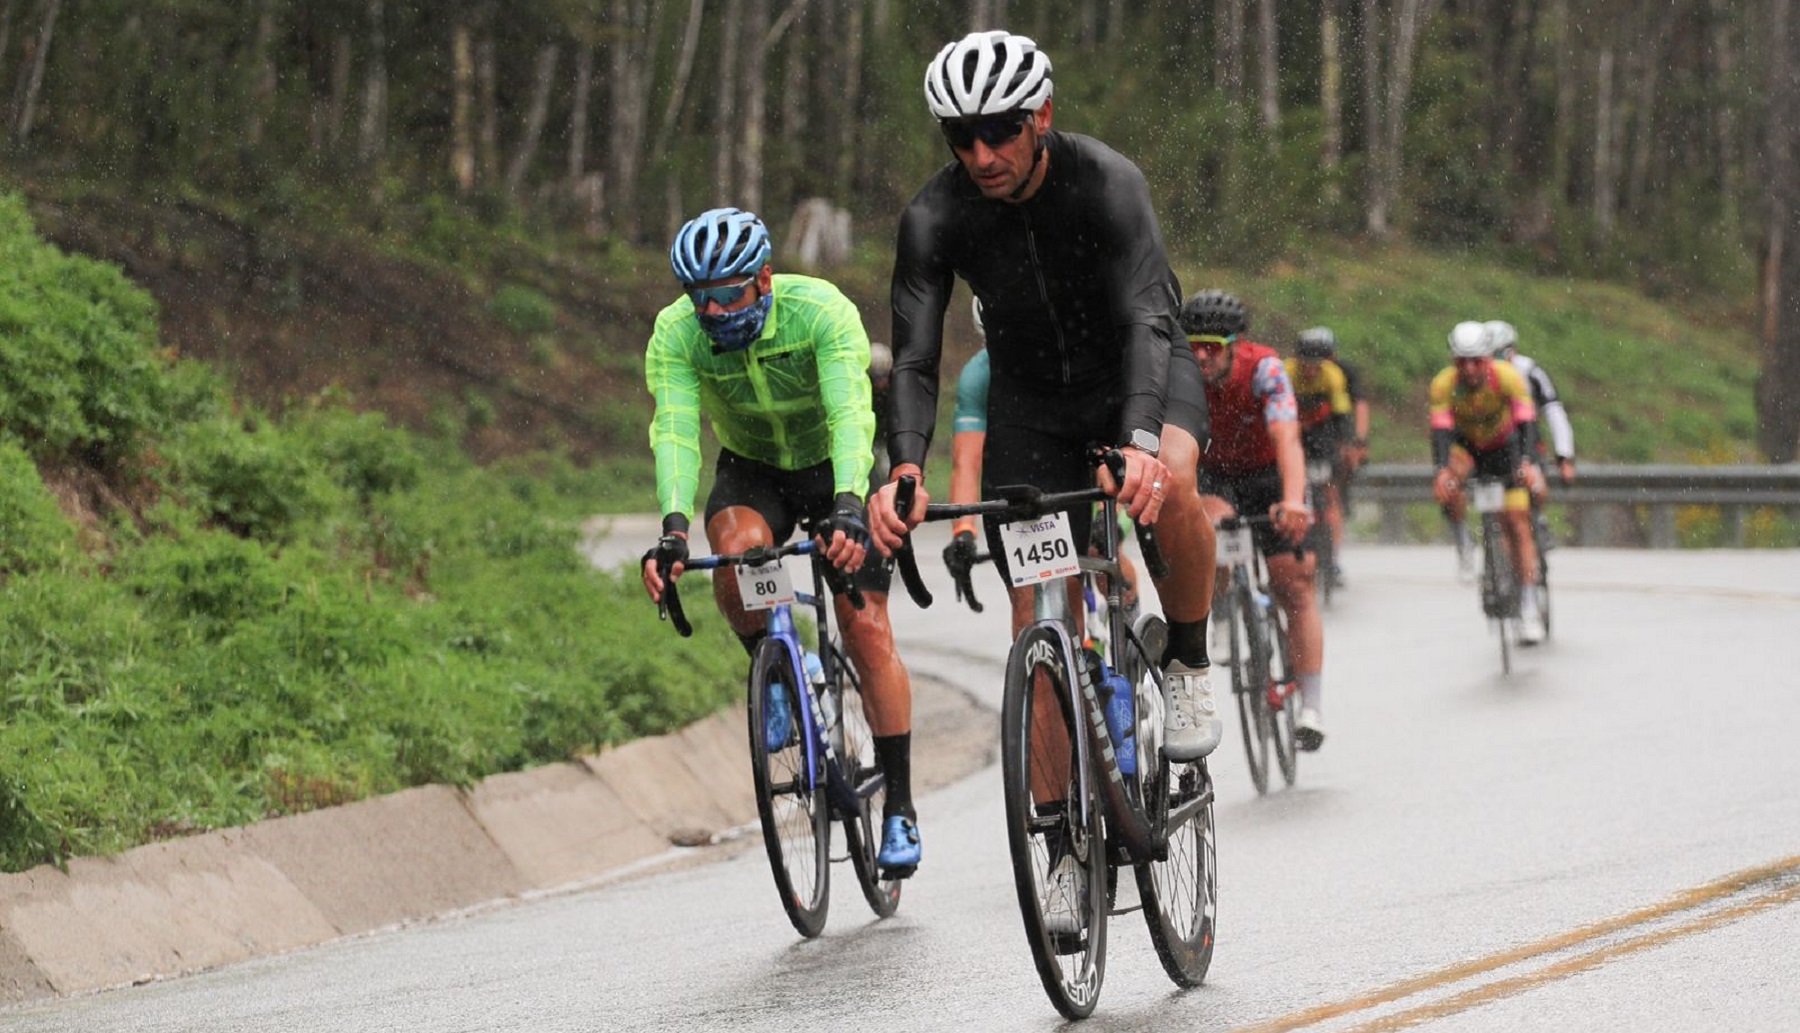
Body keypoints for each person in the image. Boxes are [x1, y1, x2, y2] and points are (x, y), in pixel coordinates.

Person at [869, 29, 1220, 932]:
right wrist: (905, 464)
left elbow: (1148, 313)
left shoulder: (1108, 183)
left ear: (1041, 117)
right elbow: (914, 357)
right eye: (960, 137)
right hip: (1031, 400)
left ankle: (1185, 656)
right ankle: (1062, 843)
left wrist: (1140, 440)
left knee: (1172, 481)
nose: (980, 155)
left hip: (1137, 372)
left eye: (998, 132)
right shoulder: (935, 216)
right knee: (1035, 615)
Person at [640, 207, 923, 874]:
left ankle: (903, 806)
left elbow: (852, 412)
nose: (711, 312)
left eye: (726, 294)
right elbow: (675, 429)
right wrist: (673, 528)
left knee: (866, 626)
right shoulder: (676, 335)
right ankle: (773, 665)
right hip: (755, 470)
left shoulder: (818, 310)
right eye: (698, 298)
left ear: (764, 279)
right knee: (735, 554)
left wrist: (852, 504)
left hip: (833, 468)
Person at [1187, 291, 1327, 749]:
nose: (1202, 355)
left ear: (1234, 344)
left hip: (1267, 474)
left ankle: (1310, 703)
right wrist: (1195, 498)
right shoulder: (1181, 372)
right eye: (1194, 345)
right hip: (1214, 473)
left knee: (1294, 583)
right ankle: (1223, 610)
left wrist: (1292, 500)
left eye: (1213, 346)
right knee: (1211, 529)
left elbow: (1287, 437)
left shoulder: (1265, 368)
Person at [942, 298, 1140, 619]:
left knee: (1097, 547)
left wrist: (1110, 518)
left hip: (1089, 464)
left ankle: (1128, 622)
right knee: (1027, 589)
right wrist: (963, 532)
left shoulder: (1075, 358)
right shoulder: (978, 377)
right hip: (1029, 469)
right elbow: (967, 462)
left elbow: (1111, 448)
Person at [1431, 320, 1547, 644]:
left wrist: (1526, 463)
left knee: (1518, 524)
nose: (1469, 369)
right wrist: (1441, 470)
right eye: (1461, 361)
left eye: (1476, 361)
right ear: (1454, 361)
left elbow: (1527, 423)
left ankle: (1527, 607)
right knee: (1448, 480)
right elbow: (1440, 432)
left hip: (1504, 447)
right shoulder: (1444, 385)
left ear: (1488, 358)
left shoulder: (1508, 377)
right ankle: (1464, 543)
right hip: (1467, 446)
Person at [1285, 326, 1354, 589]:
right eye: (1306, 365)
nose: (1311, 370)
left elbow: (1342, 416)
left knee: (1330, 494)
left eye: (1316, 365)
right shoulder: (1286, 372)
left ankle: (1333, 559)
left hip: (1322, 435)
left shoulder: (1333, 376)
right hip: (1294, 431)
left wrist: (1345, 446)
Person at [1485, 320, 1576, 487]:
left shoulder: (1530, 371)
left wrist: (1564, 455)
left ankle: (1536, 511)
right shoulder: (1476, 377)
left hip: (1526, 443)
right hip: (1488, 443)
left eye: (1499, 356)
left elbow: (1554, 411)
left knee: (1533, 486)